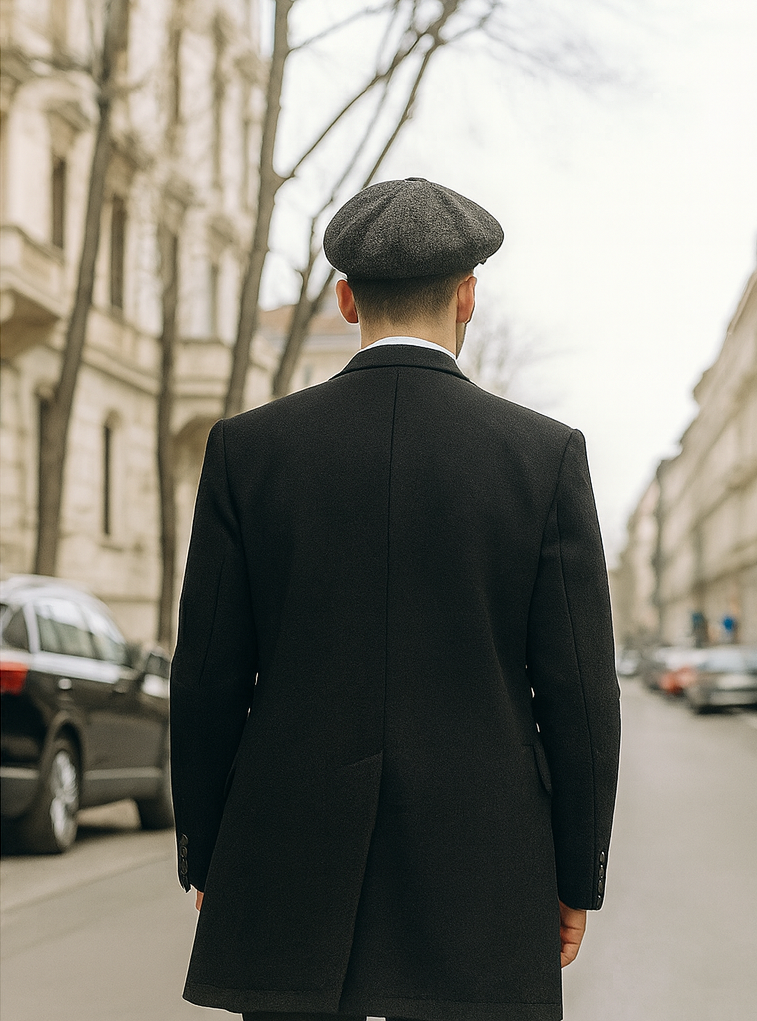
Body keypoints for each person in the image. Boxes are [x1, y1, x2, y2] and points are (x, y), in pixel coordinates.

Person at [170, 177, 621, 1021]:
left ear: (345, 299)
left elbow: (204, 682)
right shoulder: (542, 455)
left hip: (285, 857)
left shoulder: (247, 450)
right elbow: (581, 698)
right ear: (467, 297)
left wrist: (209, 854)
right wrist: (573, 875)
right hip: (485, 872)